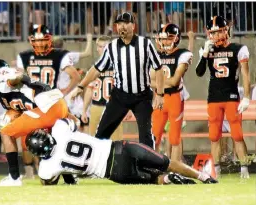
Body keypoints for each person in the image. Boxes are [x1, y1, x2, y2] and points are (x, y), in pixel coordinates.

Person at [26, 118, 218, 185]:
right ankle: (202, 176)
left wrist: (66, 174)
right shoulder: (60, 130)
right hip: (121, 147)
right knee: (166, 161)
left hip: (114, 171)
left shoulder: (47, 166)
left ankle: (168, 179)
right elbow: (70, 121)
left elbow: (48, 181)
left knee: (155, 179)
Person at [72, 12, 163, 148]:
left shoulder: (145, 44)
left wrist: (160, 94)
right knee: (101, 135)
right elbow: (96, 69)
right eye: (119, 24)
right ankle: (97, 166)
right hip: (120, 96)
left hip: (142, 96)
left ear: (133, 25)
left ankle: (149, 168)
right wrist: (80, 86)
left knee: (146, 137)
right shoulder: (112, 47)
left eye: (126, 23)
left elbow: (159, 67)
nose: (122, 27)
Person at [0, 58, 71, 187]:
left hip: (46, 107)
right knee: (50, 142)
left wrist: (19, 77)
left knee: (6, 133)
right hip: (55, 105)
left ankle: (14, 178)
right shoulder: (3, 93)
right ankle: (69, 178)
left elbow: (14, 78)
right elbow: (19, 107)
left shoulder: (2, 76)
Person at [16, 24, 80, 178]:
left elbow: (75, 76)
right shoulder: (24, 56)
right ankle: (30, 171)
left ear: (49, 39)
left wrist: (63, 92)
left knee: (56, 139)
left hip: (51, 104)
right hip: (32, 103)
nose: (39, 44)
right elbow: (18, 79)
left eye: (42, 40)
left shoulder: (59, 55)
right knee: (26, 139)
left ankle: (62, 170)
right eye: (36, 41)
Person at [195, 16, 251, 179]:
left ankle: (244, 169)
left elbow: (246, 75)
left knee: (237, 134)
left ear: (226, 31)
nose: (216, 36)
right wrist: (204, 54)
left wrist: (246, 97)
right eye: (213, 33)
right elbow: (199, 73)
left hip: (231, 96)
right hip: (213, 97)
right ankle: (216, 169)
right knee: (214, 136)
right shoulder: (208, 50)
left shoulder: (238, 48)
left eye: (219, 32)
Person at [150, 24, 192, 162]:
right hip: (159, 99)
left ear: (176, 38)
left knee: (174, 137)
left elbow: (174, 81)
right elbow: (148, 80)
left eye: (168, 39)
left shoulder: (183, 54)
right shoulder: (155, 55)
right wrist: (159, 84)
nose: (165, 42)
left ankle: (175, 168)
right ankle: (153, 167)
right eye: (162, 39)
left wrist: (158, 83)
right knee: (154, 136)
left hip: (175, 98)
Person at [81, 36, 124, 139]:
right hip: (96, 106)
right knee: (95, 141)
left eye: (105, 46)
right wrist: (84, 110)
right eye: (100, 46)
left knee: (115, 143)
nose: (103, 49)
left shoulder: (119, 65)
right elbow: (90, 90)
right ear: (97, 48)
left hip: (114, 108)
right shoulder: (94, 67)